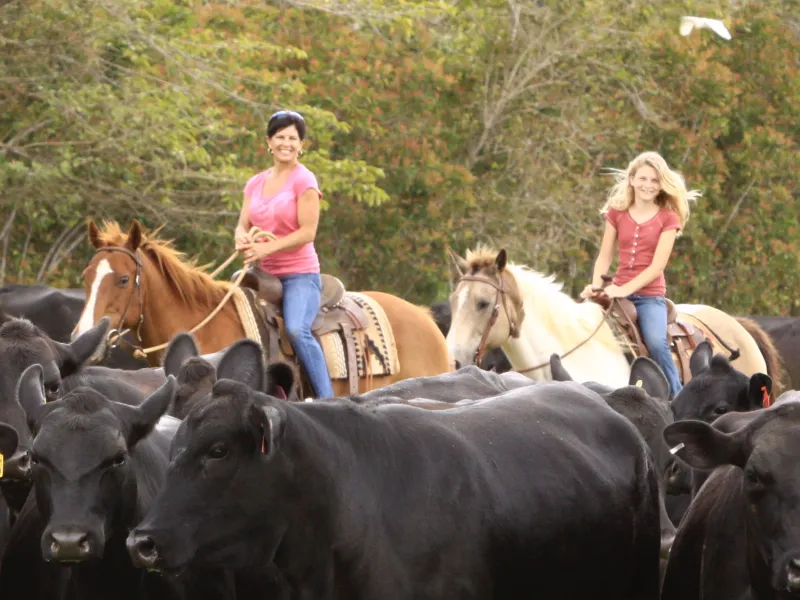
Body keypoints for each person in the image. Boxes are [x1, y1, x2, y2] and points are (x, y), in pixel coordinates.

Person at [580, 151, 700, 397]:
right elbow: (605, 256)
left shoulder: (668, 219)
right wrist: (597, 287)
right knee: (582, 329)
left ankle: (677, 396)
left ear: (661, 185)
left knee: (655, 342)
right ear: (632, 179)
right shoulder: (616, 213)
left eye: (655, 180)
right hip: (616, 293)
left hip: (649, 297)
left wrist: (623, 289)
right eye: (643, 178)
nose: (648, 185)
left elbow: (657, 267)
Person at [235, 109, 334, 398]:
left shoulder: (305, 181)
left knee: (296, 329)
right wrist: (241, 237)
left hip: (298, 274)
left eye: (292, 138)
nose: (286, 143)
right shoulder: (255, 183)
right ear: (269, 141)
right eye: (280, 137)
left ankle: (327, 399)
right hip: (262, 275)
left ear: (301, 145)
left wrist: (266, 247)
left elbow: (307, 232)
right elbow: (242, 224)